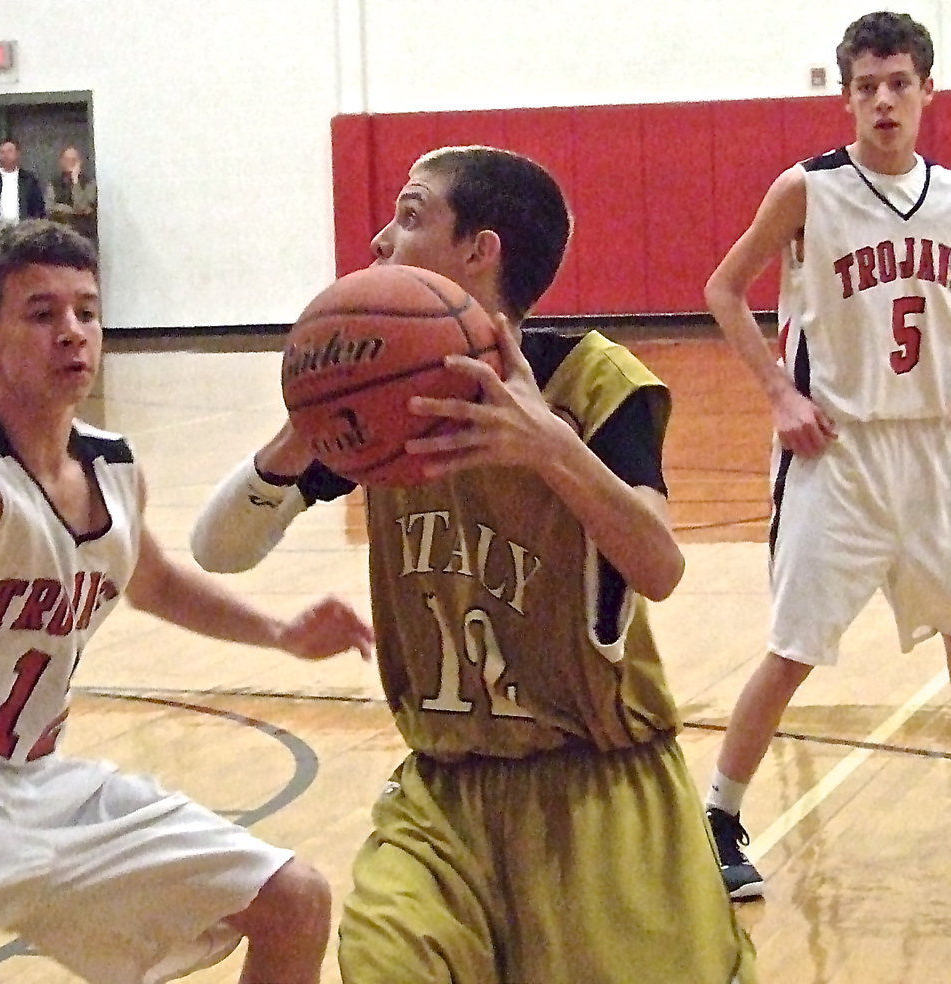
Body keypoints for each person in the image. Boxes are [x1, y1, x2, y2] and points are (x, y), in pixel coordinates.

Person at [191, 146, 756, 983]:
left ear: (478, 252)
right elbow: (218, 549)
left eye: (411, 215)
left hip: (598, 792)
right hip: (443, 792)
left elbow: (660, 564)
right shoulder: (386, 393)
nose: (382, 238)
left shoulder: (592, 384)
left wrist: (550, 450)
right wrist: (298, 435)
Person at [0, 219, 374, 984]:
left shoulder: (114, 469)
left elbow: (149, 580)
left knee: (294, 899)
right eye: (42, 313)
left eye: (86, 311)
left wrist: (280, 632)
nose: (73, 333)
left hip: (36, 789)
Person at [703, 10, 951, 901]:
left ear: (927, 90)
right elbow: (724, 289)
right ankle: (721, 817)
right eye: (866, 86)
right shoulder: (806, 189)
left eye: (899, 83)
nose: (883, 100)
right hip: (837, 456)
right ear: (847, 97)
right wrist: (779, 392)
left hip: (933, 451)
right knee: (794, 645)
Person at [0, 138, 46, 236]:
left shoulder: (29, 180)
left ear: (18, 154)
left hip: (24, 235)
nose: (6, 155)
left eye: (10, 151)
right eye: (2, 152)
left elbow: (38, 208)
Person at [46, 145, 99, 245]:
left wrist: (75, 181)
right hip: (60, 236)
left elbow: (82, 207)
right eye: (67, 159)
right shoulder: (54, 183)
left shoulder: (89, 183)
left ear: (80, 162)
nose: (70, 162)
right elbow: (50, 209)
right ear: (61, 161)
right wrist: (72, 211)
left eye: (73, 159)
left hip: (83, 236)